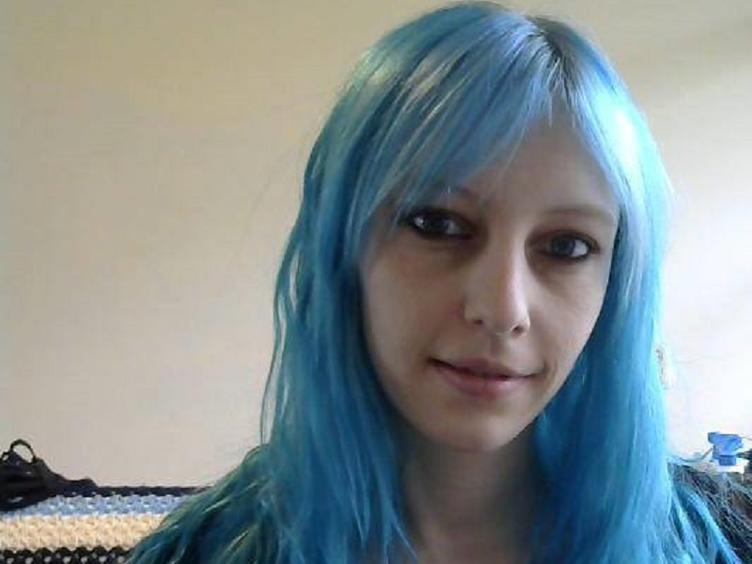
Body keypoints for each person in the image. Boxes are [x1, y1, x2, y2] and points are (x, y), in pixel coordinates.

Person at [127, 2, 751, 562]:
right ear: (342, 247)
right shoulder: (205, 551)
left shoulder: (718, 544)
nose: (502, 308)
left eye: (566, 247)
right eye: (438, 225)